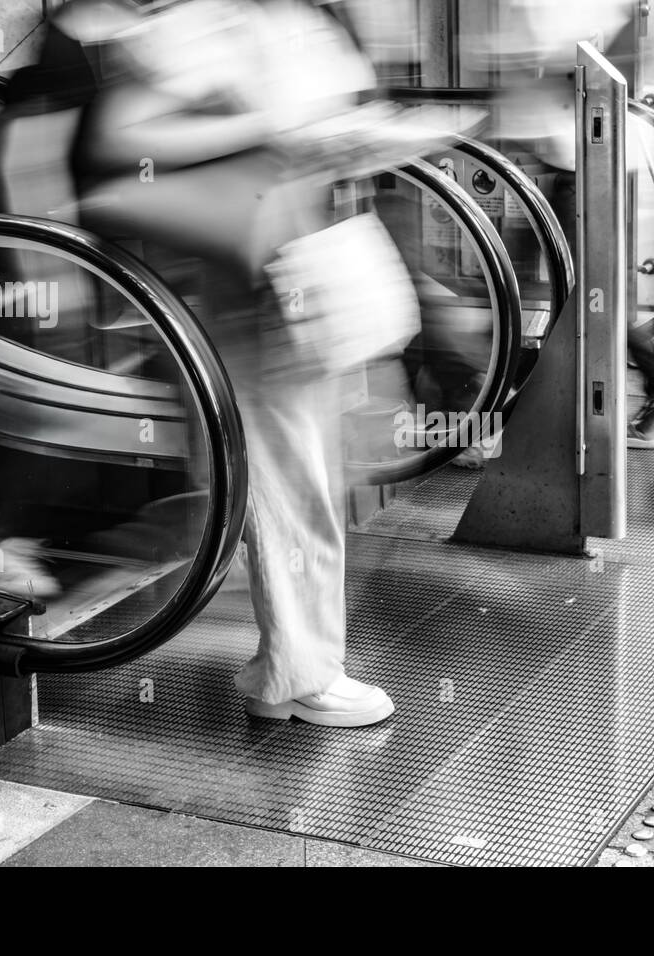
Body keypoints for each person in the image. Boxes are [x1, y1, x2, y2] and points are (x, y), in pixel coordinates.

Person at [72, 0, 395, 726]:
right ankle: (300, 672)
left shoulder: (279, 17)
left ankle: (292, 663)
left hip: (301, 259)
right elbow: (123, 134)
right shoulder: (205, 21)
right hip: (255, 275)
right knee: (288, 478)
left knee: (304, 472)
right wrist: (272, 128)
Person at [471, 0, 654, 448]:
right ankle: (510, 407)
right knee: (535, 291)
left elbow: (544, 56)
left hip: (575, 163)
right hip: (561, 158)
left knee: (581, 295)